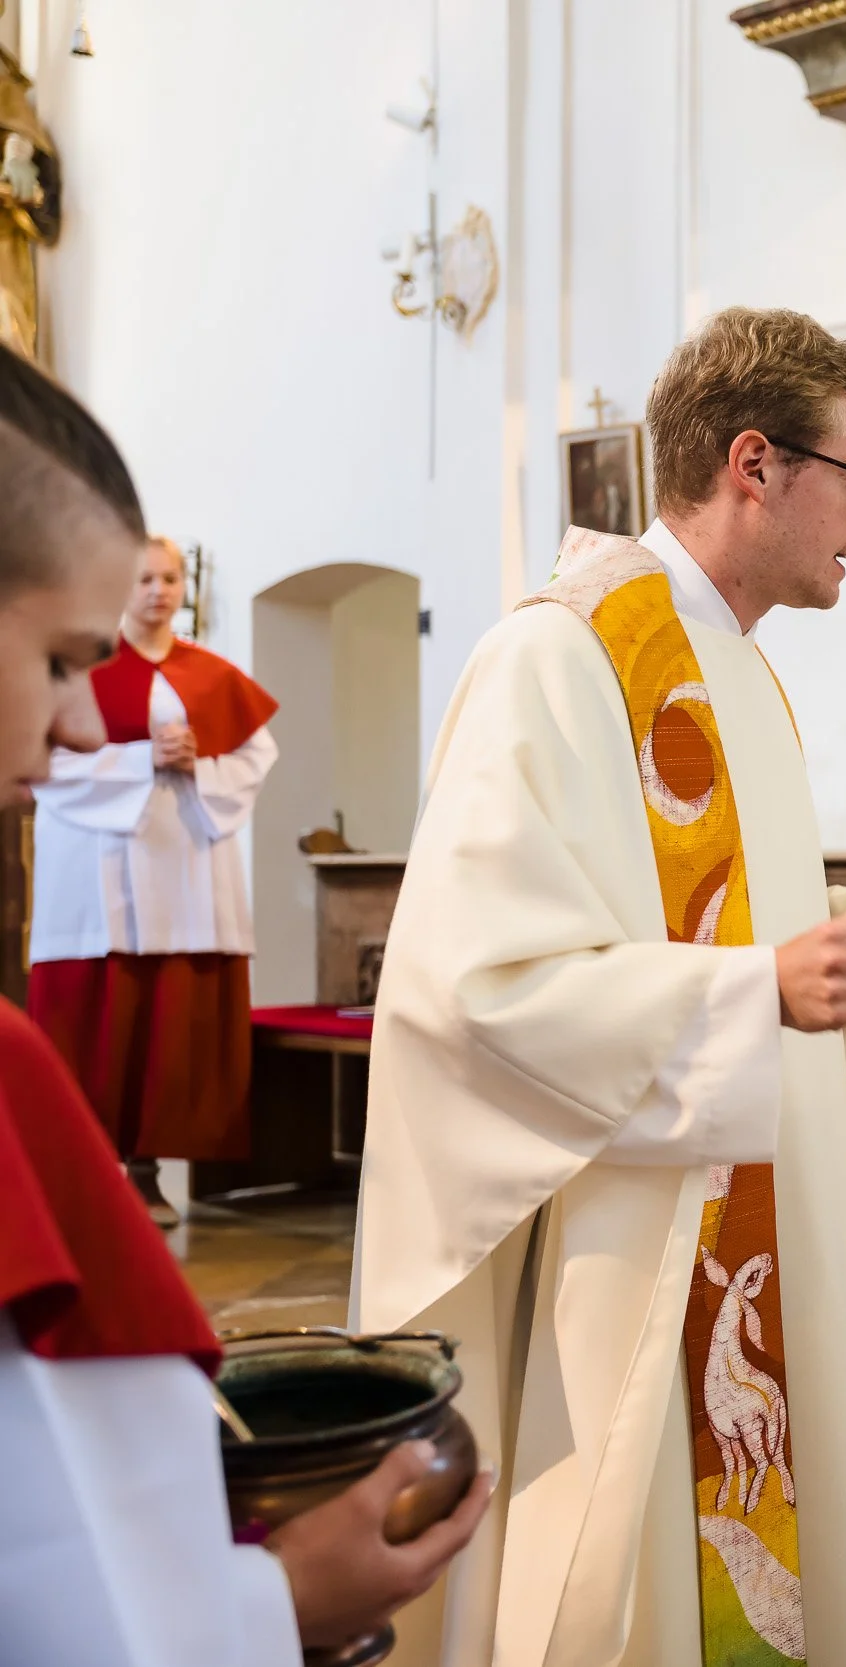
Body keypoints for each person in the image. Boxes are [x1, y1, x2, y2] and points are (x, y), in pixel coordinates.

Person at [349, 307, 846, 1667]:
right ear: (757, 464)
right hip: (636, 1238)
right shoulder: (558, 653)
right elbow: (477, 984)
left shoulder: (738, 671)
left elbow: (731, 937)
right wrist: (754, 986)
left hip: (753, 1216)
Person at [0, 333, 485, 1663]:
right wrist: (274, 1603)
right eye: (56, 659)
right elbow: (62, 1553)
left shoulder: (211, 684)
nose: (84, 718)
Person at [27, 532, 277, 1226]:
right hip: (101, 873)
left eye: (169, 579)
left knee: (171, 1026)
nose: (159, 591)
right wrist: (142, 762)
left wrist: (200, 762)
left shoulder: (212, 673)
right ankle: (84, 1168)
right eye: (145, 579)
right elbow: (41, 762)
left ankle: (146, 1170)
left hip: (186, 871)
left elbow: (254, 759)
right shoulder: (76, 671)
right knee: (98, 1021)